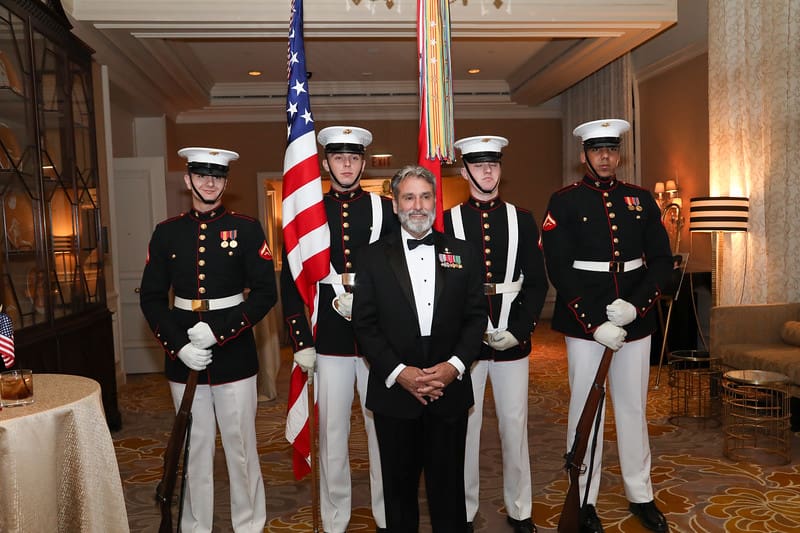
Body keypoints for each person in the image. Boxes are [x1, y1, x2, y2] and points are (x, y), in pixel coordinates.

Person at [540, 119, 672, 533]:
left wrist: (636, 307)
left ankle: (641, 494)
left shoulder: (640, 199)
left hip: (634, 317)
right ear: (584, 155)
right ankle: (583, 498)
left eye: (611, 149)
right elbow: (559, 268)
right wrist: (594, 323)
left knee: (633, 408)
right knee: (586, 408)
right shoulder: (564, 201)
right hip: (587, 321)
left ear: (619, 154)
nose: (604, 157)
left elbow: (662, 261)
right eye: (596, 150)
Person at [140, 147, 277, 533]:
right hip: (184, 354)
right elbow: (151, 298)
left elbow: (265, 293)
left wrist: (220, 332)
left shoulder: (247, 228)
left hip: (234, 352)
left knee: (241, 449)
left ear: (226, 182)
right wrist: (178, 346)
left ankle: (249, 525)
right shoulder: (166, 232)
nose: (210, 183)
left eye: (217, 176)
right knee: (193, 449)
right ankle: (195, 526)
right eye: (202, 175)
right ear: (188, 180)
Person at [352, 165, 487, 533]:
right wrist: (401, 374)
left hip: (449, 388)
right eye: (409, 197)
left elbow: (476, 318)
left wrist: (454, 367)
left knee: (449, 492)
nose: (417, 205)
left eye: (425, 197)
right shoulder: (371, 257)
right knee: (398, 495)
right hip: (395, 391)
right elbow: (364, 324)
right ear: (395, 204)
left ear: (435, 202)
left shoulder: (464, 253)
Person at [280, 126, 396, 533]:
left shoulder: (386, 209)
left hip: (378, 337)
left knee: (383, 430)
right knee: (332, 434)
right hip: (328, 336)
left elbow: (400, 273)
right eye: (338, 157)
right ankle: (334, 518)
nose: (346, 164)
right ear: (326, 163)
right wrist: (301, 340)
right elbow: (291, 278)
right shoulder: (309, 212)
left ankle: (387, 515)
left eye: (354, 157)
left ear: (364, 163)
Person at [444, 135, 548, 533]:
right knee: (464, 430)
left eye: (493, 163)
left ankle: (520, 509)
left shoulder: (522, 219)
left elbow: (536, 283)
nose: (487, 170)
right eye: (478, 164)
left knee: (514, 426)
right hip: (464, 347)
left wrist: (520, 331)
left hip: (511, 342)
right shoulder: (447, 221)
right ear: (464, 171)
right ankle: (463, 511)